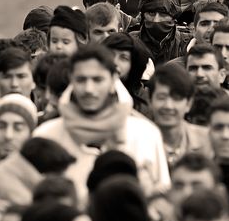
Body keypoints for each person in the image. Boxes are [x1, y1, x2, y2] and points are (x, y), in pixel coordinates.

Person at [33, 45, 171, 201]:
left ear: (113, 80)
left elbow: (161, 199)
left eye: (98, 80)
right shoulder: (46, 137)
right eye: (81, 80)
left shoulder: (145, 134)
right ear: (71, 79)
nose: (89, 89)